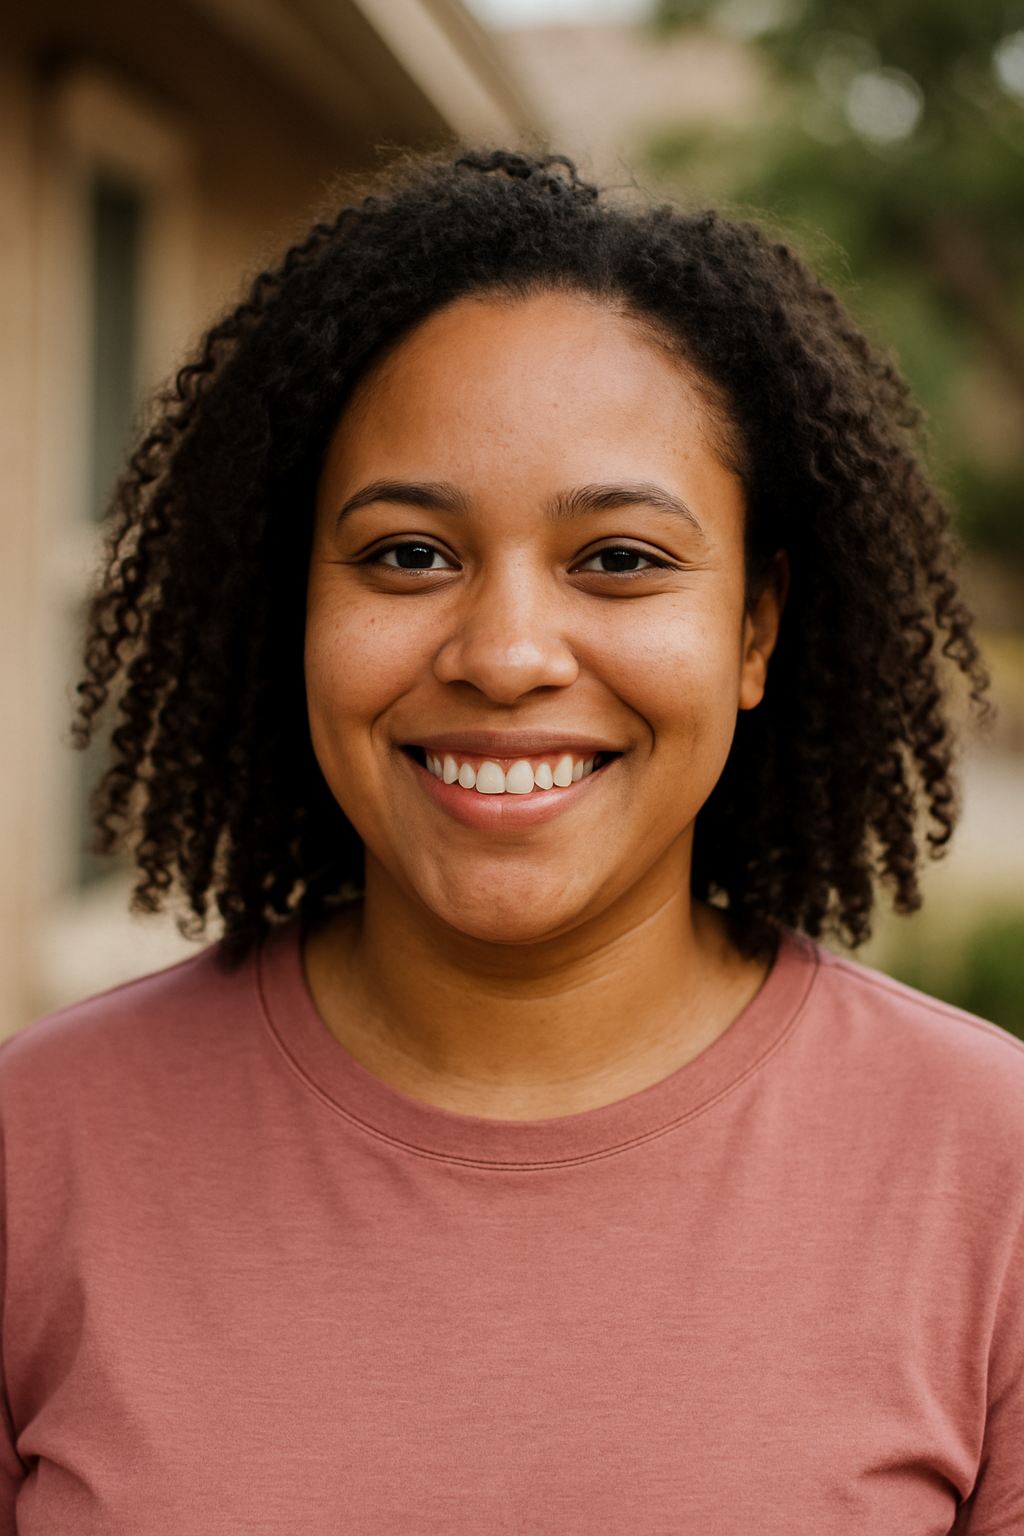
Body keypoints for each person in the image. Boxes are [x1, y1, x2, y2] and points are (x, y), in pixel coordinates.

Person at [1, 149, 1021, 1533]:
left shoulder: (992, 1175)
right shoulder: (34, 1152)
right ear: (288, 600)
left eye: (619, 560)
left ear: (758, 629)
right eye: (409, 554)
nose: (506, 653)